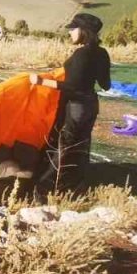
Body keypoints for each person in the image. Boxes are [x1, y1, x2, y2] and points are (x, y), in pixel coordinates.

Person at [29, 13, 111, 195]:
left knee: (64, 147)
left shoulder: (81, 54)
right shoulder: (102, 53)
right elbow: (106, 85)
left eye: (73, 29)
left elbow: (72, 87)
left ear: (84, 31)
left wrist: (41, 81)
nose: (70, 33)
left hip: (76, 107)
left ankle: (45, 188)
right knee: (81, 146)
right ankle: (75, 186)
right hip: (91, 105)